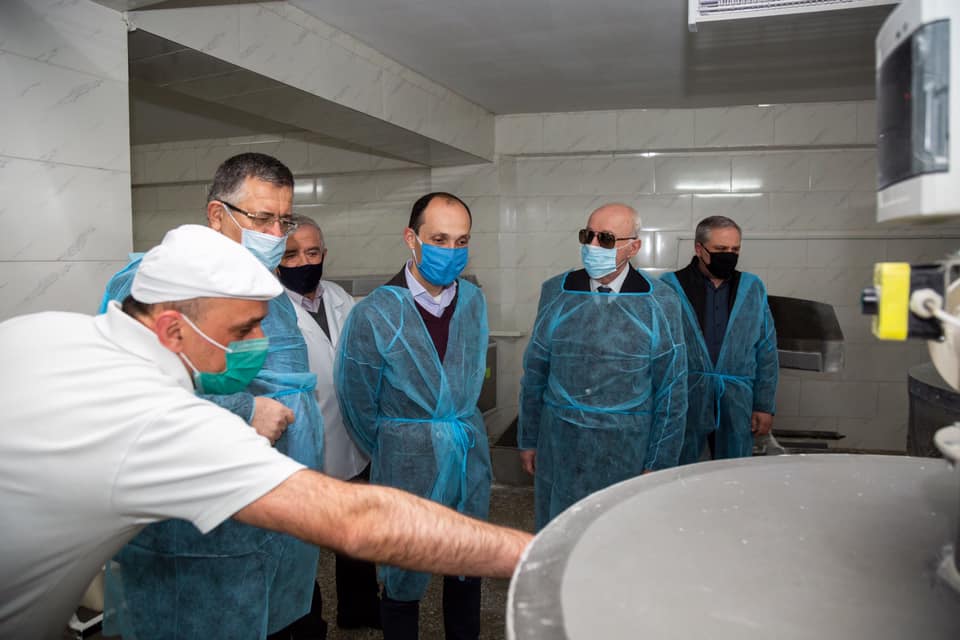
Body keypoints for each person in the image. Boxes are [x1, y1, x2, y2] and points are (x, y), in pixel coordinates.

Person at [0, 225, 532, 640]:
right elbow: (358, 522)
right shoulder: (164, 425)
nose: (261, 342)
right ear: (173, 329)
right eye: (243, 329)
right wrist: (534, 553)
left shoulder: (45, 329)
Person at [99, 153, 327, 639]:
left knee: (281, 618)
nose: (275, 234)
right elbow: (124, 391)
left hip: (275, 500)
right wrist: (244, 409)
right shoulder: (153, 281)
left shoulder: (265, 288)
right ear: (217, 214)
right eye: (261, 218)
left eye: (284, 221)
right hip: (202, 522)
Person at [335, 192, 491, 640]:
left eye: (462, 241)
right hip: (406, 462)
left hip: (467, 457)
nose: (452, 251)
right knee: (403, 576)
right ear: (411, 238)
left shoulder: (473, 301)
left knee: (466, 565)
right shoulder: (375, 313)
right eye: (439, 239)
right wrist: (403, 444)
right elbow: (357, 402)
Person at [518, 203, 688, 531]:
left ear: (633, 247)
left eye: (606, 239)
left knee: (617, 535)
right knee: (560, 532)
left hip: (626, 449)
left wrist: (659, 461)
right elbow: (536, 372)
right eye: (588, 236)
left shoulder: (660, 301)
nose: (593, 246)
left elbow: (672, 390)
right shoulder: (557, 291)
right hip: (559, 444)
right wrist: (528, 439)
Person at [278, 216, 380, 630]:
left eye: (312, 252)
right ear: (276, 258)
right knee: (302, 547)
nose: (304, 262)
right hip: (299, 443)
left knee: (356, 533)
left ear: (324, 253)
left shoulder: (339, 297)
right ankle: (307, 622)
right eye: (291, 254)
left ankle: (359, 608)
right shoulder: (270, 310)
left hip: (350, 439)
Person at [660, 216, 778, 463]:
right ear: (699, 249)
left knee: (733, 472)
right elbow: (660, 352)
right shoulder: (670, 287)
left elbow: (766, 349)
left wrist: (764, 405)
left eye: (735, 250)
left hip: (737, 401)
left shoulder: (752, 287)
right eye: (721, 249)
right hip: (686, 398)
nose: (729, 256)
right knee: (681, 469)